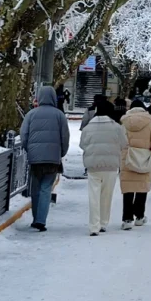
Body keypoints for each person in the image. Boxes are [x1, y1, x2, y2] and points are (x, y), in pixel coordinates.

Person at [18, 85, 70, 232]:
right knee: (46, 188)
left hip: (35, 159)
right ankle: (41, 220)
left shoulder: (31, 114)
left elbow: (24, 136)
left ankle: (35, 219)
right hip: (52, 158)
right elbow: (65, 137)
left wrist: (30, 150)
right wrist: (61, 153)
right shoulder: (59, 115)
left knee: (35, 187)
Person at [80, 94, 128, 235]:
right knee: (106, 195)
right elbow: (124, 144)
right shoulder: (116, 127)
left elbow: (83, 144)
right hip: (111, 166)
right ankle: (103, 222)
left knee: (93, 195)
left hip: (93, 165)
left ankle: (93, 226)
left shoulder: (88, 128)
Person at [120, 98, 151, 228]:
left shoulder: (124, 124)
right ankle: (139, 216)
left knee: (127, 189)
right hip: (145, 159)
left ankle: (127, 219)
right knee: (141, 188)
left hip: (128, 160)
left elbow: (119, 142)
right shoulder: (150, 125)